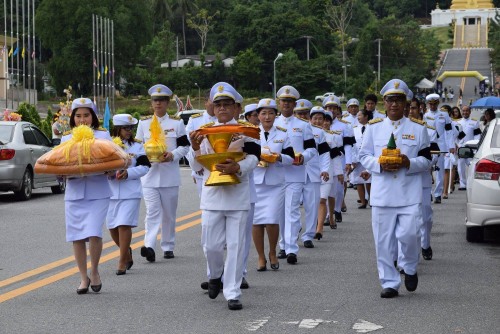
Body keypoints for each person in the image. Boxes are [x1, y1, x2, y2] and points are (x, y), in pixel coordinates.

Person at [189, 82, 260, 311]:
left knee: (236, 245)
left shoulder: (246, 130)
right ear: (212, 107)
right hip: (212, 194)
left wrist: (238, 168)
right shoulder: (205, 130)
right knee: (211, 245)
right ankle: (215, 275)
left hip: (238, 193)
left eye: (227, 104)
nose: (222, 109)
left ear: (236, 108)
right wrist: (195, 148)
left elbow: (254, 158)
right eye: (218, 104)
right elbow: (196, 165)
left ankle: (232, 291)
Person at [359, 79, 432, 298]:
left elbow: (427, 160)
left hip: (409, 192)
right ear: (384, 102)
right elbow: (363, 156)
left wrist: (408, 163)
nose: (394, 104)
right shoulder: (374, 128)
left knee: (409, 236)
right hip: (382, 193)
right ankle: (389, 282)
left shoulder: (418, 129)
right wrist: (379, 164)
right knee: (383, 241)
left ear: (406, 103)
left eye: (399, 100)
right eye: (390, 100)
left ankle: (409, 267)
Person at [62, 98, 112, 294]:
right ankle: (83, 277)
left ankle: (95, 270)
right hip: (74, 192)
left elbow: (113, 158)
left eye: (86, 115)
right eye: (78, 115)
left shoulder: (102, 135)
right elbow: (58, 161)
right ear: (73, 118)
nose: (82, 120)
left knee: (93, 231)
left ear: (93, 117)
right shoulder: (66, 138)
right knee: (76, 236)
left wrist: (111, 169)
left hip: (98, 190)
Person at [135, 84, 190, 262]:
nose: (157, 104)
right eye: (155, 101)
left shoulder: (176, 123)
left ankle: (168, 245)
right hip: (149, 176)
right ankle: (149, 245)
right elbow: (138, 147)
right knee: (152, 212)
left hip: (169, 175)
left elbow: (185, 146)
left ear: (167, 103)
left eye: (161, 101)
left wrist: (172, 155)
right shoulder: (143, 124)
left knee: (168, 214)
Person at [274, 85, 317, 264]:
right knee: (279, 213)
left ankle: (291, 248)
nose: (286, 104)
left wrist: (304, 158)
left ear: (295, 104)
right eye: (284, 101)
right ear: (279, 103)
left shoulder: (303, 125)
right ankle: (283, 245)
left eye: (290, 101)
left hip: (296, 173)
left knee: (291, 210)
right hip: (276, 173)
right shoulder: (272, 123)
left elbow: (312, 149)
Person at [252, 98, 294, 271]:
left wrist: (279, 157)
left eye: (270, 113)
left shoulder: (283, 134)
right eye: (263, 113)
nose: (267, 117)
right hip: (255, 182)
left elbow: (291, 158)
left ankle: (272, 252)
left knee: (271, 219)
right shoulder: (251, 133)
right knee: (256, 221)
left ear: (275, 115)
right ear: (258, 116)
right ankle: (261, 256)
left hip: (275, 183)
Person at [107, 114, 151, 275]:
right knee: (112, 227)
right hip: (110, 191)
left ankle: (121, 261)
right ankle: (126, 252)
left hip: (130, 191)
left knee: (124, 225)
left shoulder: (137, 146)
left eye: (131, 128)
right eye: (126, 128)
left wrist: (129, 173)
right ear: (118, 128)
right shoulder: (107, 144)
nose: (129, 131)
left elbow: (146, 167)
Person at [302, 106, 330, 248]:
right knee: (291, 206)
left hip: (313, 172)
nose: (317, 120)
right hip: (295, 172)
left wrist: (325, 169)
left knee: (312, 205)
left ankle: (308, 235)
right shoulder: (293, 129)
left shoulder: (319, 133)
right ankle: (292, 232)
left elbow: (324, 153)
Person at [324, 95, 355, 222]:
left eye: (333, 107)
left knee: (338, 187)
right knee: (326, 186)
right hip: (324, 159)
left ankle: (337, 209)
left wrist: (348, 162)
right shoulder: (318, 123)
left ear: (338, 109)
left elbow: (348, 145)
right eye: (328, 107)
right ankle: (327, 214)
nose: (331, 110)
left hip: (339, 158)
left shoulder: (344, 126)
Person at [313, 109, 343, 237]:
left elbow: (336, 157)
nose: (320, 122)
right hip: (312, 172)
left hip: (327, 171)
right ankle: (315, 223)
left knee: (323, 199)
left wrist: (339, 172)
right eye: (317, 119)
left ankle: (320, 228)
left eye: (323, 119)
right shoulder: (307, 134)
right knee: (314, 201)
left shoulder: (331, 137)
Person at [423, 93, 454, 204]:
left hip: (441, 145)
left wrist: (451, 146)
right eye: (430, 104)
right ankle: (428, 193)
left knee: (439, 169)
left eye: (434, 104)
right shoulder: (425, 115)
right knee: (428, 169)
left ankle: (437, 194)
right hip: (429, 144)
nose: (432, 106)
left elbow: (449, 131)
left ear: (437, 103)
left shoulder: (444, 115)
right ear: (428, 104)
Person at [186, 91, 217, 197]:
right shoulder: (195, 120)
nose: (215, 104)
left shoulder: (223, 120)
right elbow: (189, 146)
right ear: (206, 102)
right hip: (201, 169)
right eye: (212, 100)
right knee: (205, 204)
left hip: (221, 165)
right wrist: (195, 168)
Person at [457, 105, 482, 190]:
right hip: (460, 147)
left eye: (467, 111)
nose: (465, 112)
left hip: (470, 147)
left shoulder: (475, 122)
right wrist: (456, 144)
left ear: (470, 112)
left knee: (471, 165)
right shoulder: (458, 122)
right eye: (463, 111)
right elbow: (455, 136)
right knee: (460, 166)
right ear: (461, 112)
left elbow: (477, 135)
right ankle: (462, 183)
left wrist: (475, 145)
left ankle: (471, 182)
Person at [351, 109, 372, 209]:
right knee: (358, 180)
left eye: (360, 115)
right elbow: (352, 145)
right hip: (357, 158)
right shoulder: (354, 129)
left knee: (369, 180)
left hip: (368, 157)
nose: (358, 117)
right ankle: (363, 202)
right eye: (357, 116)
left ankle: (371, 200)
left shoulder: (371, 127)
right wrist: (353, 159)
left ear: (366, 116)